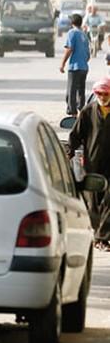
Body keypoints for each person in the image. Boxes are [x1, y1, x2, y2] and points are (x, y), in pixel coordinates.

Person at [68, 76, 110, 249]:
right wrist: (68, 154)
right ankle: (97, 234)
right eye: (98, 93)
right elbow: (75, 136)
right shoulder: (87, 111)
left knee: (109, 200)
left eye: (105, 93)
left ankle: (103, 237)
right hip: (92, 163)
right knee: (93, 201)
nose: (101, 96)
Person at [61, 14, 90, 115]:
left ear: (71, 23)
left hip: (75, 67)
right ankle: (82, 111)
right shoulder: (84, 35)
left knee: (71, 91)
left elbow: (69, 49)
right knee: (81, 91)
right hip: (84, 67)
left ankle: (73, 113)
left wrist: (62, 63)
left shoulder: (72, 33)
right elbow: (88, 55)